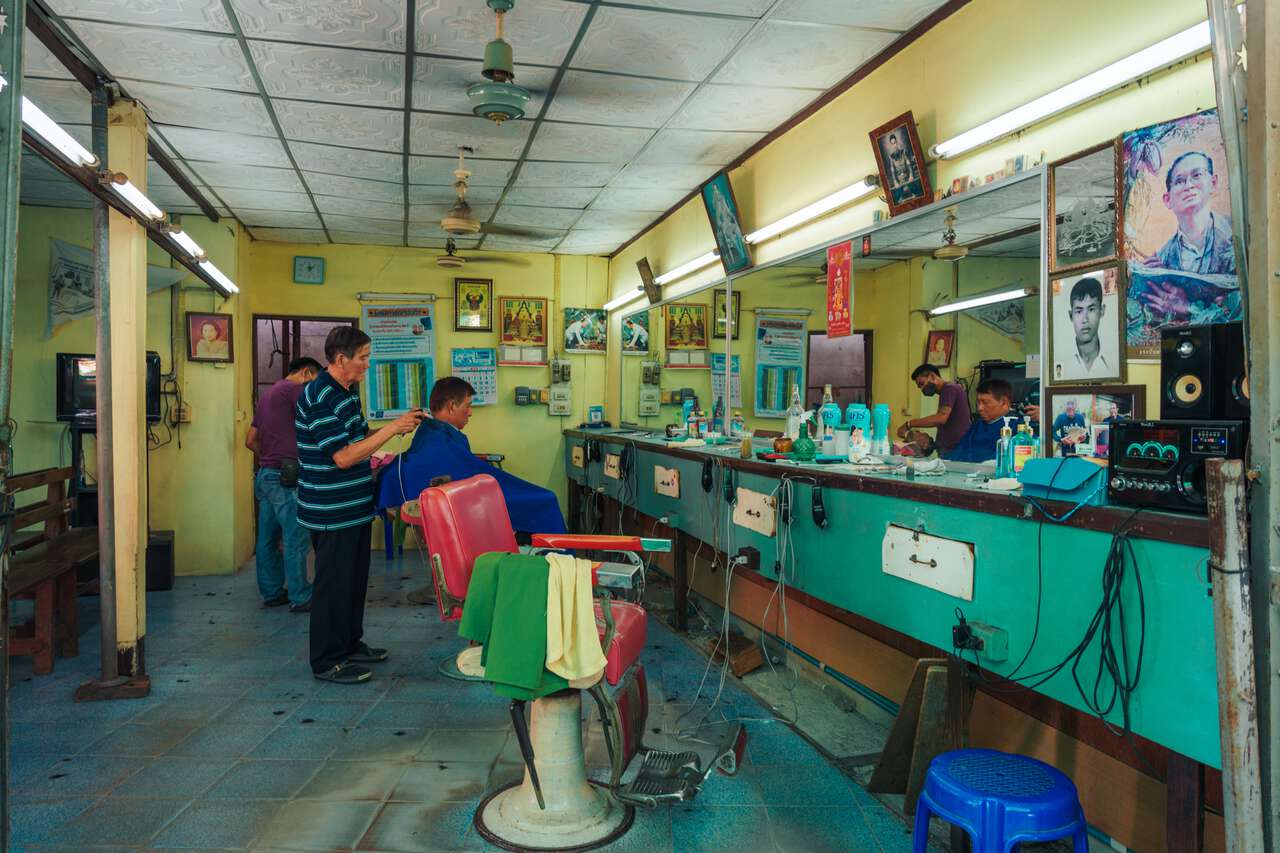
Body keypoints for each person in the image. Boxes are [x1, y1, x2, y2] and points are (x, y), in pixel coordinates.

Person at [296, 327, 425, 685]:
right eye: (363, 357)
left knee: (353, 583)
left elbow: (360, 439)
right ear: (341, 359)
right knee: (332, 587)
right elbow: (342, 456)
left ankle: (350, 644)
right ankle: (326, 660)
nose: (368, 365)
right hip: (329, 511)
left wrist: (396, 428)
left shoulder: (347, 394)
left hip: (354, 507)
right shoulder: (319, 395)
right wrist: (392, 429)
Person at [378, 377, 568, 535]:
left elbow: (460, 467)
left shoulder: (434, 431)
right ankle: (559, 564)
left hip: (466, 496)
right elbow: (458, 470)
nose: (470, 413)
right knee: (545, 500)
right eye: (467, 406)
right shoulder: (437, 438)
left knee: (540, 498)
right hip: (470, 501)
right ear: (452, 406)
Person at [247, 356, 321, 612]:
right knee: (295, 538)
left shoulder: (267, 396)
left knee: (267, 539)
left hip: (265, 474)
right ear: (306, 373)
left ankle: (272, 592)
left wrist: (270, 457)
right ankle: (301, 596)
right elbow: (315, 426)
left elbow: (250, 440)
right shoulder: (296, 390)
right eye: (316, 379)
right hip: (286, 478)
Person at [1145, 151, 1237, 275]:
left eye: (1197, 175)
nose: (1188, 185)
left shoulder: (1237, 231)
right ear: (1168, 200)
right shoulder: (1162, 259)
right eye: (1179, 181)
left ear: (1213, 183)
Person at [897, 364, 971, 454]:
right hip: (950, 449)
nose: (922, 389)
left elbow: (941, 418)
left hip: (957, 450)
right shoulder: (946, 392)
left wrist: (909, 424)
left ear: (932, 376)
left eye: (922, 384)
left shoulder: (949, 389)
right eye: (919, 387)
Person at [945, 379, 1015, 464]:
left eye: (985, 403)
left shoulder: (1019, 429)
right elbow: (956, 456)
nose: (980, 408)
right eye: (978, 403)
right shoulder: (976, 426)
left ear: (1004, 402)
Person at [1065, 274, 1112, 378]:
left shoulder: (1113, 360)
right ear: (1070, 315)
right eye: (1078, 311)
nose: (1085, 319)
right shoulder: (1062, 361)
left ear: (1102, 311)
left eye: (1091, 309)